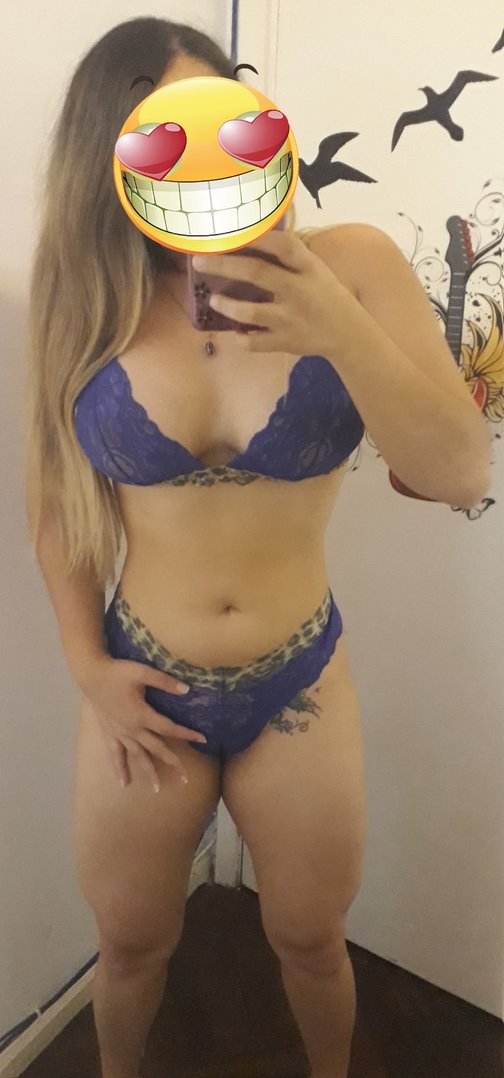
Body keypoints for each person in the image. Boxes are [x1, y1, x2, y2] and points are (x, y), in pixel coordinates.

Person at [25, 16, 492, 1078]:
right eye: (165, 141)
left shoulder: (351, 265)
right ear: (113, 159)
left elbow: (462, 472)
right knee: (130, 947)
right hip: (144, 681)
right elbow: (55, 498)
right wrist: (86, 666)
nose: (206, 163)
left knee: (311, 941)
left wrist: (336, 324)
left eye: (228, 126)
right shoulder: (90, 294)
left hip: (299, 678)